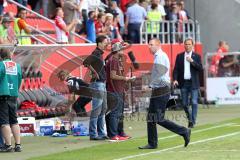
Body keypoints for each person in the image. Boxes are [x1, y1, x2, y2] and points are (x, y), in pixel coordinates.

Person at [139, 38, 191, 149]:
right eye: (149, 44)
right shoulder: (159, 57)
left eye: (151, 44)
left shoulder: (160, 57)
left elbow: (160, 76)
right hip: (159, 89)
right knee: (151, 117)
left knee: (157, 117)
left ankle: (184, 131)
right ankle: (152, 143)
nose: (149, 46)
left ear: (158, 45)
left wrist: (148, 86)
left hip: (161, 89)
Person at [105, 41, 134, 141]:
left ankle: (118, 133)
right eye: (121, 49)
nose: (123, 51)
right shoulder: (114, 60)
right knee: (115, 113)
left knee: (119, 113)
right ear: (118, 50)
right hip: (114, 90)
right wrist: (125, 79)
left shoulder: (116, 60)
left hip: (118, 89)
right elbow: (112, 76)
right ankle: (113, 135)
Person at [83, 35, 109, 140]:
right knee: (97, 109)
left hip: (102, 83)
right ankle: (93, 134)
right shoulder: (96, 53)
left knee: (103, 108)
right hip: (97, 84)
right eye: (105, 42)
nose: (106, 44)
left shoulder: (100, 54)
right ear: (99, 43)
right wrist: (94, 72)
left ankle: (101, 133)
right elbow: (85, 62)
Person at [173, 38, 203, 128]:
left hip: (193, 83)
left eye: (189, 44)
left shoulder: (196, 56)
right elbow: (176, 69)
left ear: (192, 45)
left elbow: (200, 68)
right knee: (185, 104)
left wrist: (192, 61)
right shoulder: (179, 56)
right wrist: (175, 79)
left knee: (194, 102)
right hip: (183, 83)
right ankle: (190, 119)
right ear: (184, 45)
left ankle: (192, 121)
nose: (187, 46)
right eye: (186, 44)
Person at [0, 48, 22, 152]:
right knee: (14, 121)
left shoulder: (1, 65)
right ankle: (18, 145)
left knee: (4, 121)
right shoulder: (17, 66)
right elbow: (19, 80)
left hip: (3, 94)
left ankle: (8, 146)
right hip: (14, 94)